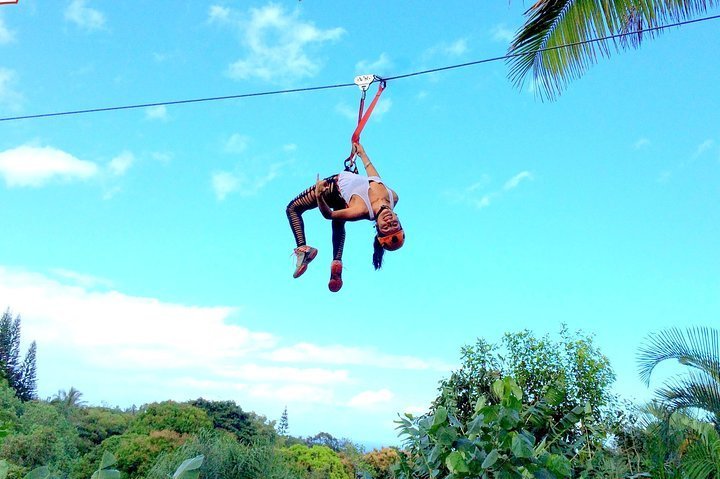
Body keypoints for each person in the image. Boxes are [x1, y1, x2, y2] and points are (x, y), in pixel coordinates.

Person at [285, 142, 405, 292]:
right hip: (344, 196)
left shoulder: (361, 210)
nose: (389, 221)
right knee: (338, 224)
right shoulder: (393, 197)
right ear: (399, 220)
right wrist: (361, 153)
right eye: (394, 224)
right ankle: (337, 261)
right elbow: (374, 177)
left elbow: (328, 214)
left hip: (332, 188)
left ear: (377, 227)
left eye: (385, 227)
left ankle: (303, 249)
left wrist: (319, 195)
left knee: (292, 208)